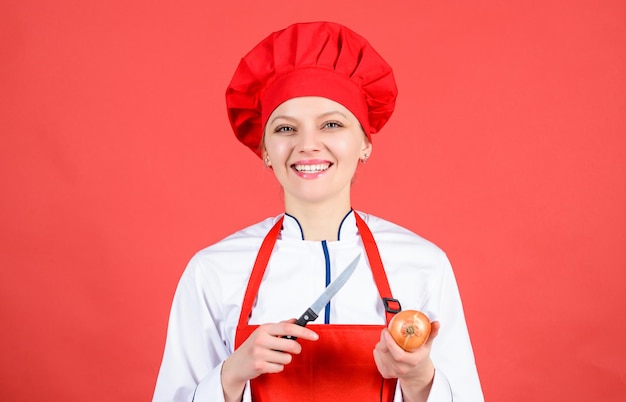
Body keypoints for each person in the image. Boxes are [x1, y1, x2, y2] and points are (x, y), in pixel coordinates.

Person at [153, 21, 483, 402]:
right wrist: (231, 375)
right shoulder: (211, 271)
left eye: (331, 124)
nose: (308, 145)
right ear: (264, 151)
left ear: (364, 143)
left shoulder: (424, 264)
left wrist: (420, 380)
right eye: (285, 129)